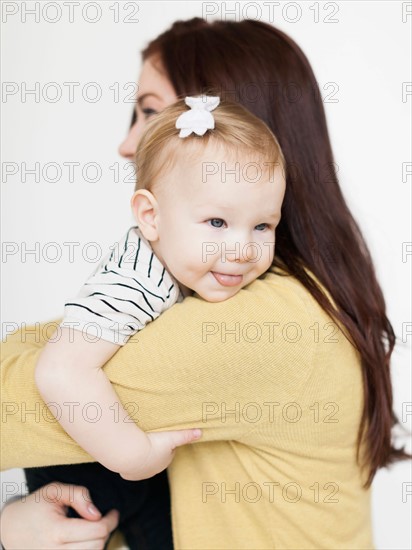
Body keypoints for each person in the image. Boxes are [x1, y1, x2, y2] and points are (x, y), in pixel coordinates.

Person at [1, 17, 409, 550]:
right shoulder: (289, 291)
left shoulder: (264, 325)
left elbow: (18, 398)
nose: (127, 144)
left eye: (151, 113)